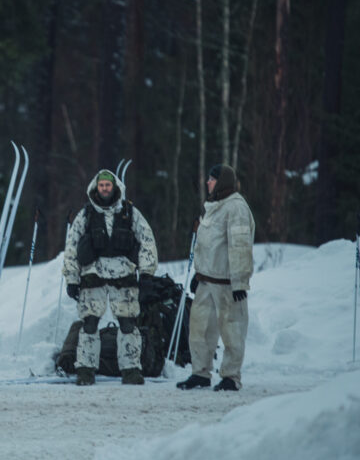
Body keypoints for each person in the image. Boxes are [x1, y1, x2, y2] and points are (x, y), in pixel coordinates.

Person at [62, 170, 158, 385]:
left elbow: (147, 241)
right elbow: (71, 247)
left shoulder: (130, 213)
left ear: (115, 187)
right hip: (92, 278)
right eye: (101, 185)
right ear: (95, 188)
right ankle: (85, 369)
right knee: (89, 324)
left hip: (123, 278)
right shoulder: (85, 215)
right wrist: (71, 278)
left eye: (108, 185)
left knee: (127, 325)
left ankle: (131, 369)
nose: (105, 189)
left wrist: (146, 274)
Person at [176, 163, 256, 392]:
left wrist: (240, 281)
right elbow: (207, 246)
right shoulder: (213, 207)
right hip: (206, 281)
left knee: (232, 331)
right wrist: (198, 274)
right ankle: (200, 373)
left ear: (221, 183)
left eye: (211, 179)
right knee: (199, 330)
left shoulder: (236, 208)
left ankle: (231, 376)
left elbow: (240, 247)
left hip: (228, 284)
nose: (207, 183)